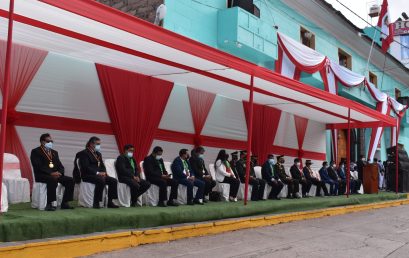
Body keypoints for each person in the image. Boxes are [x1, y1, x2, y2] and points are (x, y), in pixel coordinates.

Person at [30, 133, 74, 211]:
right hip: (42, 175)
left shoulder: (54, 152)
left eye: (51, 141)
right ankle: (49, 204)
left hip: (56, 174)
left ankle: (65, 203)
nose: (50, 143)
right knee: (52, 180)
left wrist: (59, 172)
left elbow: (60, 166)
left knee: (70, 180)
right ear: (42, 142)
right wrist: (51, 173)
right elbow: (38, 166)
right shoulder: (36, 151)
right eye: (48, 141)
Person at [78, 136, 119, 209]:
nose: (99, 146)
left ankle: (110, 201)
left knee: (113, 181)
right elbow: (85, 167)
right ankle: (96, 202)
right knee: (101, 180)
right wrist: (97, 173)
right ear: (91, 144)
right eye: (97, 144)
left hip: (99, 175)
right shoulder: (83, 153)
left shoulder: (98, 154)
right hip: (87, 175)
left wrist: (104, 172)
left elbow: (102, 166)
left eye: (99, 144)